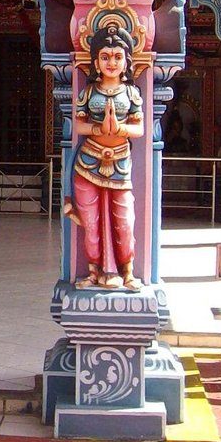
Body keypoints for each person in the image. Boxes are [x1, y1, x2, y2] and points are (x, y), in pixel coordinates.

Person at [65, 20, 144, 291]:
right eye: (106, 57)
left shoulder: (132, 93)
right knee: (91, 223)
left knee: (125, 222)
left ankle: (128, 271)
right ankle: (94, 271)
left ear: (127, 62)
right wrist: (100, 127)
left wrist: (119, 127)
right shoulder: (88, 92)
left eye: (118, 57)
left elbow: (140, 128)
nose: (112, 62)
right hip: (88, 163)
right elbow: (79, 125)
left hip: (120, 163)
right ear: (96, 63)